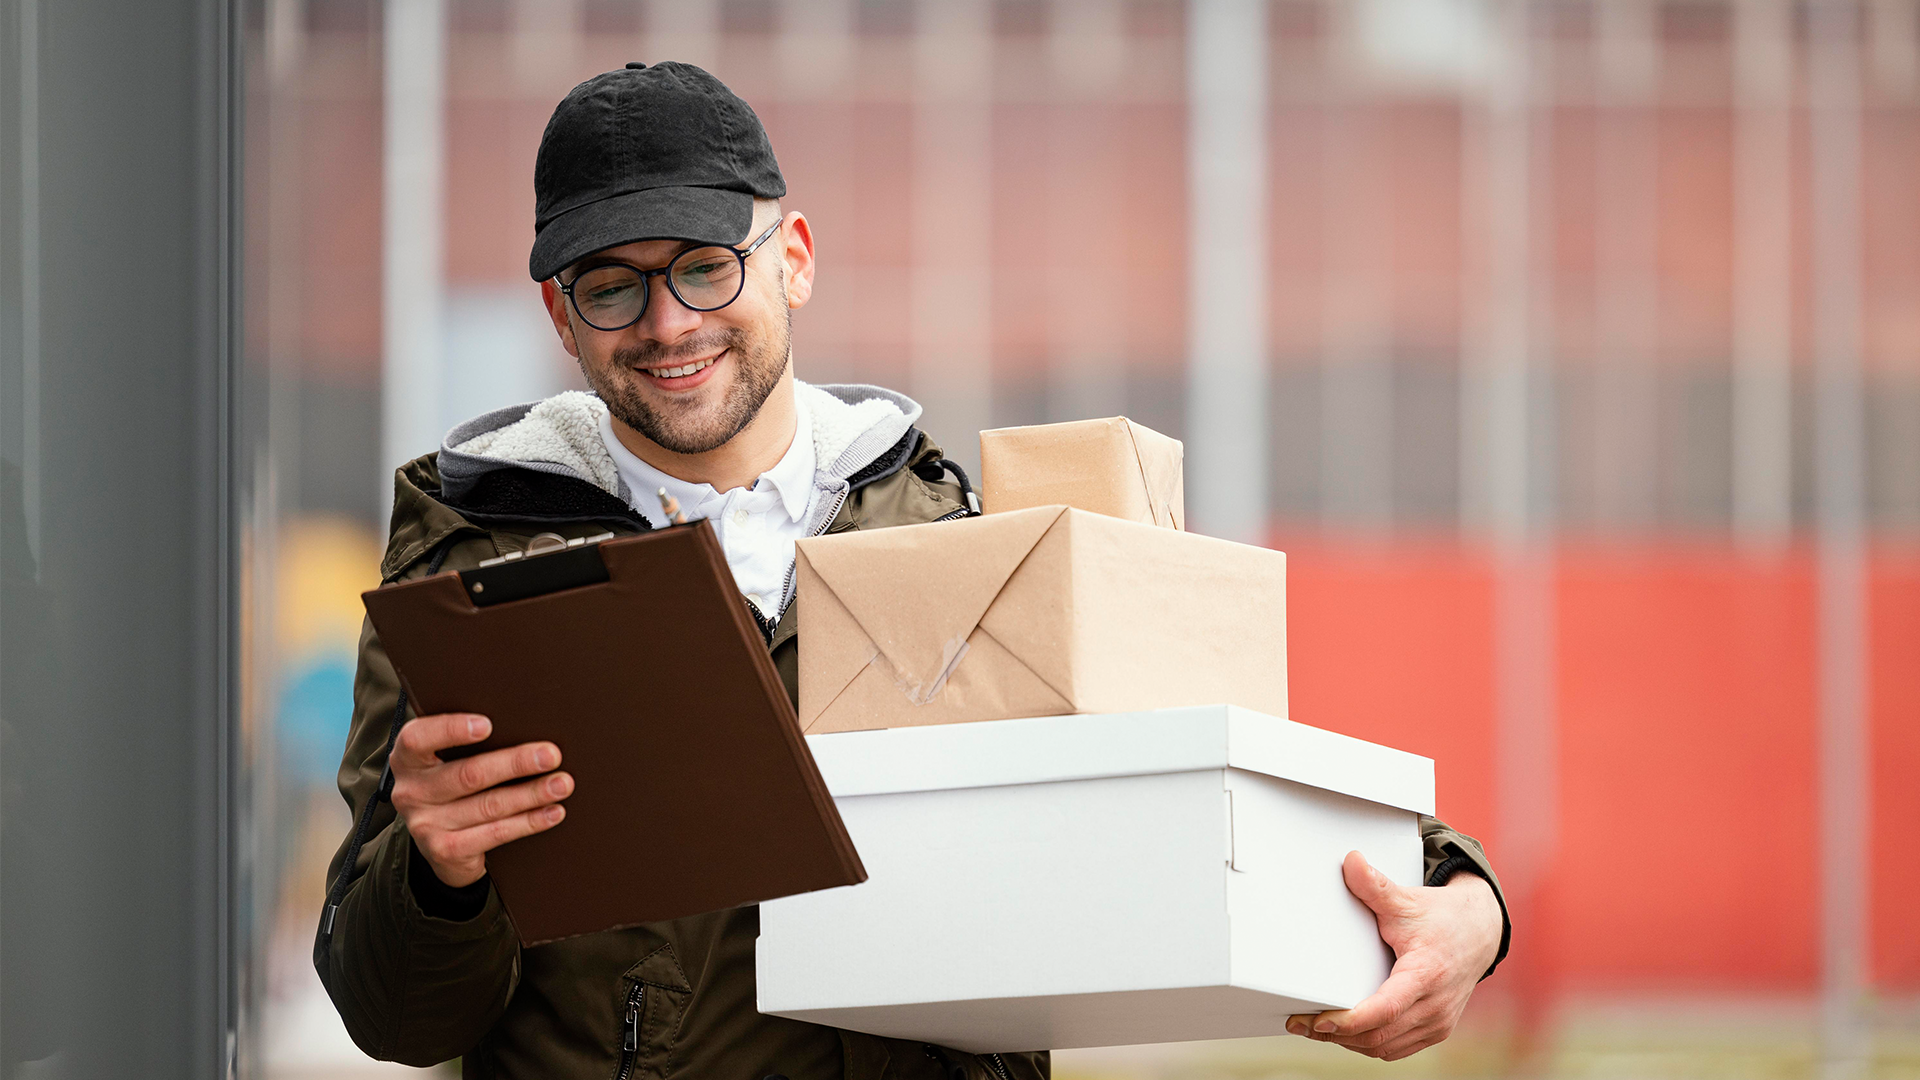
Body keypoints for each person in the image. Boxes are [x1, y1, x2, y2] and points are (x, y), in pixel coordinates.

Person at [317, 61, 1511, 1079]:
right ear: (559, 313)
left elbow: (1205, 768)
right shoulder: (469, 576)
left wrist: (1469, 905)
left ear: (792, 256)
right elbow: (396, 1014)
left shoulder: (969, 535)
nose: (668, 321)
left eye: (703, 266)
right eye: (612, 284)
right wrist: (436, 874)